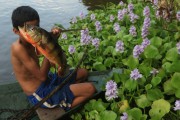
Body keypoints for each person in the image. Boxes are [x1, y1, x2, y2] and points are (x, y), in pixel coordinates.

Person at [11, 6, 96, 111]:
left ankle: (64, 94)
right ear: (16, 31)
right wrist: (49, 49)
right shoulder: (18, 48)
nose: (36, 32)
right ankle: (62, 106)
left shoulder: (34, 41)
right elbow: (41, 76)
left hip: (48, 80)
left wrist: (52, 39)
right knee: (90, 89)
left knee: (83, 73)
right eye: (30, 29)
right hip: (39, 94)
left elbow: (47, 59)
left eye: (37, 27)